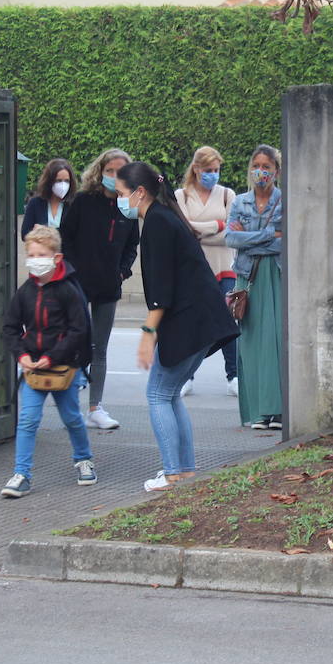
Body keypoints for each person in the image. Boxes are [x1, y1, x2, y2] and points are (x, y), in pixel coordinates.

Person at [117, 161, 238, 491]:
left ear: (140, 193)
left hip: (188, 321)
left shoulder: (157, 222)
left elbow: (162, 290)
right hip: (201, 319)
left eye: (121, 194)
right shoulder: (167, 217)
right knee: (169, 395)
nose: (120, 200)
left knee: (157, 394)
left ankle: (172, 473)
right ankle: (182, 471)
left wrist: (147, 334)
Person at [0, 226, 95, 498]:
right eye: (31, 254)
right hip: (33, 369)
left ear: (56, 257)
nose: (35, 259)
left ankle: (83, 459)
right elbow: (10, 327)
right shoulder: (25, 291)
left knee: (71, 418)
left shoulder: (69, 290)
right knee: (28, 419)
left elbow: (79, 330)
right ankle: (22, 474)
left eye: (41, 254)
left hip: (64, 367)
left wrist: (51, 357)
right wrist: (22, 355)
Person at [59, 148, 140, 430]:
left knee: (99, 349)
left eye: (121, 172)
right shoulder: (82, 202)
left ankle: (96, 408)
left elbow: (132, 245)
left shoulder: (127, 207)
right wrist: (69, 271)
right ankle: (68, 403)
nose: (115, 177)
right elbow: (64, 238)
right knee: (73, 343)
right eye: (110, 171)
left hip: (108, 284)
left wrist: (122, 271)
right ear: (100, 172)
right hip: (78, 283)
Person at [226, 145, 286, 430]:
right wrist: (267, 235)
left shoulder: (285, 200)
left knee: (274, 340)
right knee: (249, 343)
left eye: (267, 166)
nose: (260, 171)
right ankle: (257, 413)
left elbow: (283, 242)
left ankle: (276, 410)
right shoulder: (239, 202)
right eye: (256, 165)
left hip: (274, 275)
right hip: (246, 278)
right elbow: (231, 239)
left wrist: (249, 236)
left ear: (277, 171)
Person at [176, 146, 239, 398]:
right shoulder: (181, 196)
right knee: (192, 323)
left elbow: (232, 234)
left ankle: (234, 375)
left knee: (227, 322)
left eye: (217, 170)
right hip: (193, 269)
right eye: (208, 170)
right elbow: (182, 232)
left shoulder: (227, 195)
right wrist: (217, 225)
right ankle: (185, 376)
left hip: (225, 268)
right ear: (196, 169)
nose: (213, 174)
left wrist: (200, 230)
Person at [21, 158, 76, 239]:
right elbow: (25, 234)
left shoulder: (74, 204)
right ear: (49, 181)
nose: (63, 185)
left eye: (67, 181)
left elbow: (75, 234)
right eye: (59, 180)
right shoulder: (35, 203)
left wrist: (43, 231)